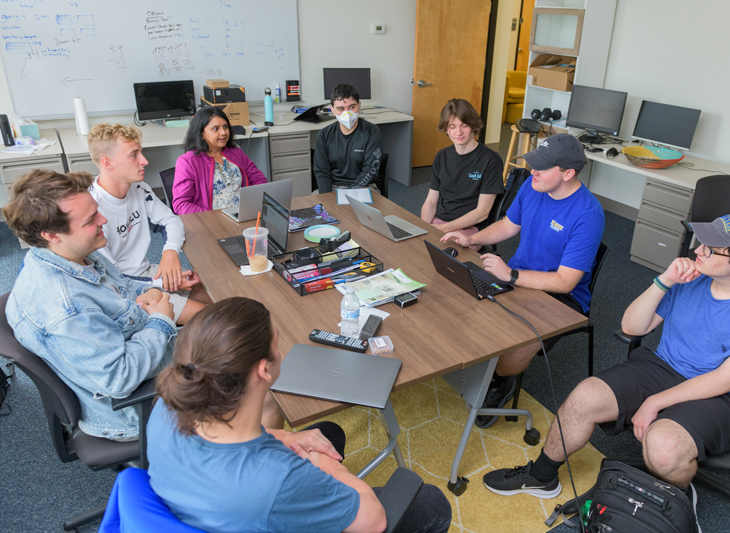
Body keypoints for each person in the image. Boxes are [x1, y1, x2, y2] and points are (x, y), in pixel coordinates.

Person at [483, 213, 730, 531]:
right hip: (662, 368)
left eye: (710, 249)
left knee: (664, 448)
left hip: (727, 396)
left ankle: (674, 506)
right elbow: (632, 327)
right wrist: (664, 281)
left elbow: (725, 378)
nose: (698, 251)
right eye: (701, 242)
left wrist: (654, 402)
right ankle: (541, 475)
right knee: (585, 396)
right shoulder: (691, 278)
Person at [148, 297, 452, 533]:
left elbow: (238, 444)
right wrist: (319, 465)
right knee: (431, 503)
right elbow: (373, 522)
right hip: (254, 504)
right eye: (277, 343)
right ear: (264, 370)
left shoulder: (170, 403)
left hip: (208, 509)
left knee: (328, 433)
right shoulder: (278, 478)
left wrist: (289, 438)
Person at [441, 133, 604, 428]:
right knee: (458, 297)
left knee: (516, 346)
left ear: (568, 173)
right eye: (534, 164)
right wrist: (471, 238)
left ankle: (501, 381)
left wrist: (511, 275)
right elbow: (508, 224)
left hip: (561, 296)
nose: (533, 171)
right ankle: (482, 364)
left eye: (542, 167)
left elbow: (567, 282)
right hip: (516, 274)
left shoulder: (588, 214)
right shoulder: (532, 185)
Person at [3, 169, 176, 440]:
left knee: (227, 329)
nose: (103, 220)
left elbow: (122, 289)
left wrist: (153, 290)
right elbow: (121, 378)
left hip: (140, 348)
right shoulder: (67, 308)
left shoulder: (75, 253)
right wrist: (161, 322)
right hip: (133, 409)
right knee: (248, 377)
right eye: (91, 219)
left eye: (97, 210)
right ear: (51, 234)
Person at [87, 123, 210, 324]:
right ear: (108, 163)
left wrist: (170, 252)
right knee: (216, 318)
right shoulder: (92, 210)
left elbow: (171, 220)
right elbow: (112, 280)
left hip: (149, 274)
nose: (144, 161)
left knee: (222, 297)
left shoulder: (138, 188)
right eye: (133, 155)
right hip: (128, 291)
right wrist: (165, 282)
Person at [420, 99, 504, 239]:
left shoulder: (491, 160)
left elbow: (482, 212)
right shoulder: (441, 156)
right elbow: (431, 200)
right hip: (440, 221)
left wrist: (443, 229)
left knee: (444, 254)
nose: (458, 132)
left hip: (470, 226)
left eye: (464, 125)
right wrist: (424, 226)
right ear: (446, 129)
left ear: (472, 126)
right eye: (452, 127)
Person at [172, 106, 267, 214]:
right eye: (216, 129)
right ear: (201, 133)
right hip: (211, 222)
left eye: (225, 127)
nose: (223, 132)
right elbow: (181, 205)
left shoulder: (236, 152)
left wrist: (252, 203)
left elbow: (258, 179)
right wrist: (213, 218)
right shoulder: (188, 162)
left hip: (243, 215)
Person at [314, 83, 383, 193]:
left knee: (364, 210)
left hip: (364, 187)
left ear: (359, 105)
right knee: (314, 209)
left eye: (352, 107)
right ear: (332, 110)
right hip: (333, 187)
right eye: (340, 109)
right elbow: (322, 172)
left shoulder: (371, 131)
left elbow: (370, 170)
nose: (347, 113)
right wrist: (326, 198)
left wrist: (349, 193)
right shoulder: (324, 135)